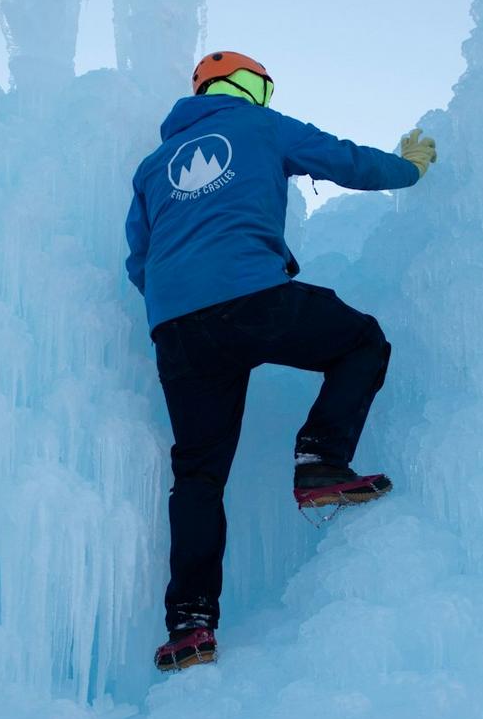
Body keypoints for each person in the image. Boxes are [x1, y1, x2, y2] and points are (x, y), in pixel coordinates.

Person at [125, 50, 436, 672]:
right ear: (246, 86)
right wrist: (408, 168)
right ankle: (320, 460)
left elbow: (138, 257)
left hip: (177, 328)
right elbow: (342, 160)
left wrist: (185, 305)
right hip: (251, 295)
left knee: (199, 476)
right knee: (361, 342)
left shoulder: (154, 166)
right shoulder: (258, 125)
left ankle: (189, 623)